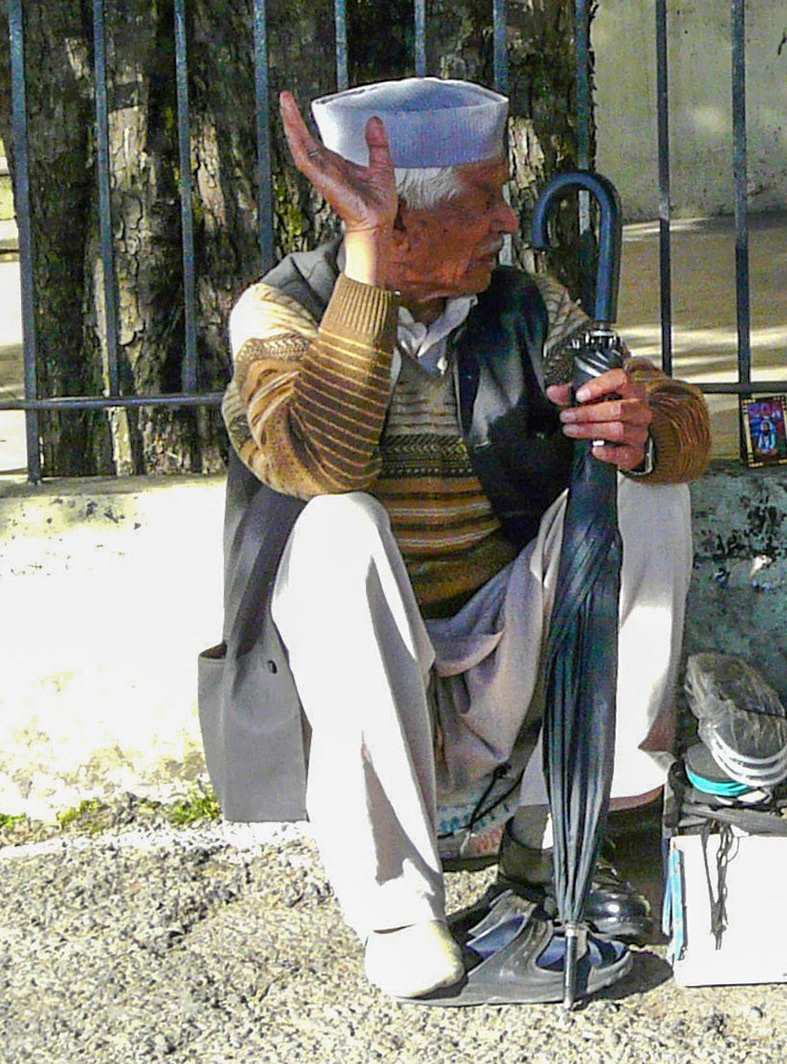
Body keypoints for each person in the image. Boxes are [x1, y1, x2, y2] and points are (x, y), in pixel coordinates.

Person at [199, 77, 711, 999]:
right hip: (355, 673)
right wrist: (365, 279)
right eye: (485, 197)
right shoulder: (278, 312)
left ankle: (556, 835)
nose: (509, 221)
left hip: (500, 649)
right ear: (398, 220)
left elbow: (675, 411)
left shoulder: (521, 305)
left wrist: (645, 424)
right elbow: (316, 458)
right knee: (337, 527)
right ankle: (398, 910)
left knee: (646, 489)